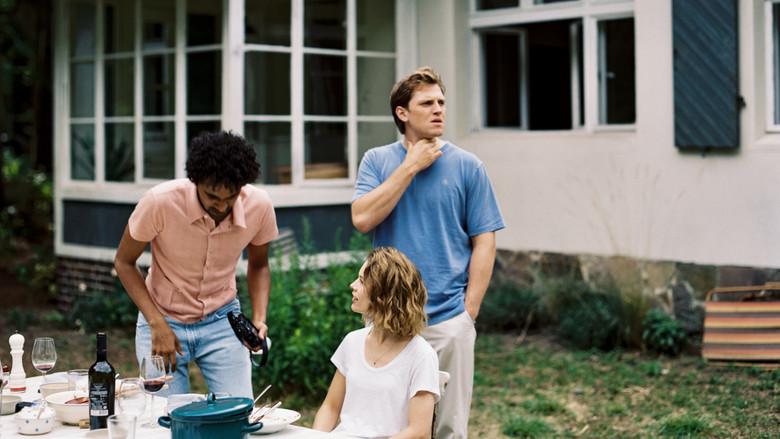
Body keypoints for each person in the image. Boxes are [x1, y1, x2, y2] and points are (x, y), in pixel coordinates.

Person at [351, 67, 505, 438]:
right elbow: (363, 218)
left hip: (449, 318)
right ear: (402, 113)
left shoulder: (468, 166)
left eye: (441, 102)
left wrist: (469, 311)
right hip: (387, 317)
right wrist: (410, 167)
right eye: (427, 103)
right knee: (391, 422)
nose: (438, 109)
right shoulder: (377, 161)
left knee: (450, 426)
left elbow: (484, 240)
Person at [114, 131, 277, 399]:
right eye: (213, 196)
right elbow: (124, 262)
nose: (222, 206)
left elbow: (259, 265)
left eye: (231, 197)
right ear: (195, 181)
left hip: (223, 320)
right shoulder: (160, 202)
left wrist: (259, 318)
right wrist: (156, 323)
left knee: (236, 415)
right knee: (164, 422)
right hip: (162, 318)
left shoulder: (259, 205)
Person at [313, 247, 440, 438]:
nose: (352, 285)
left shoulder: (421, 355)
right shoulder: (352, 342)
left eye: (362, 281)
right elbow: (330, 408)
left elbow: (419, 431)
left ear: (384, 295)